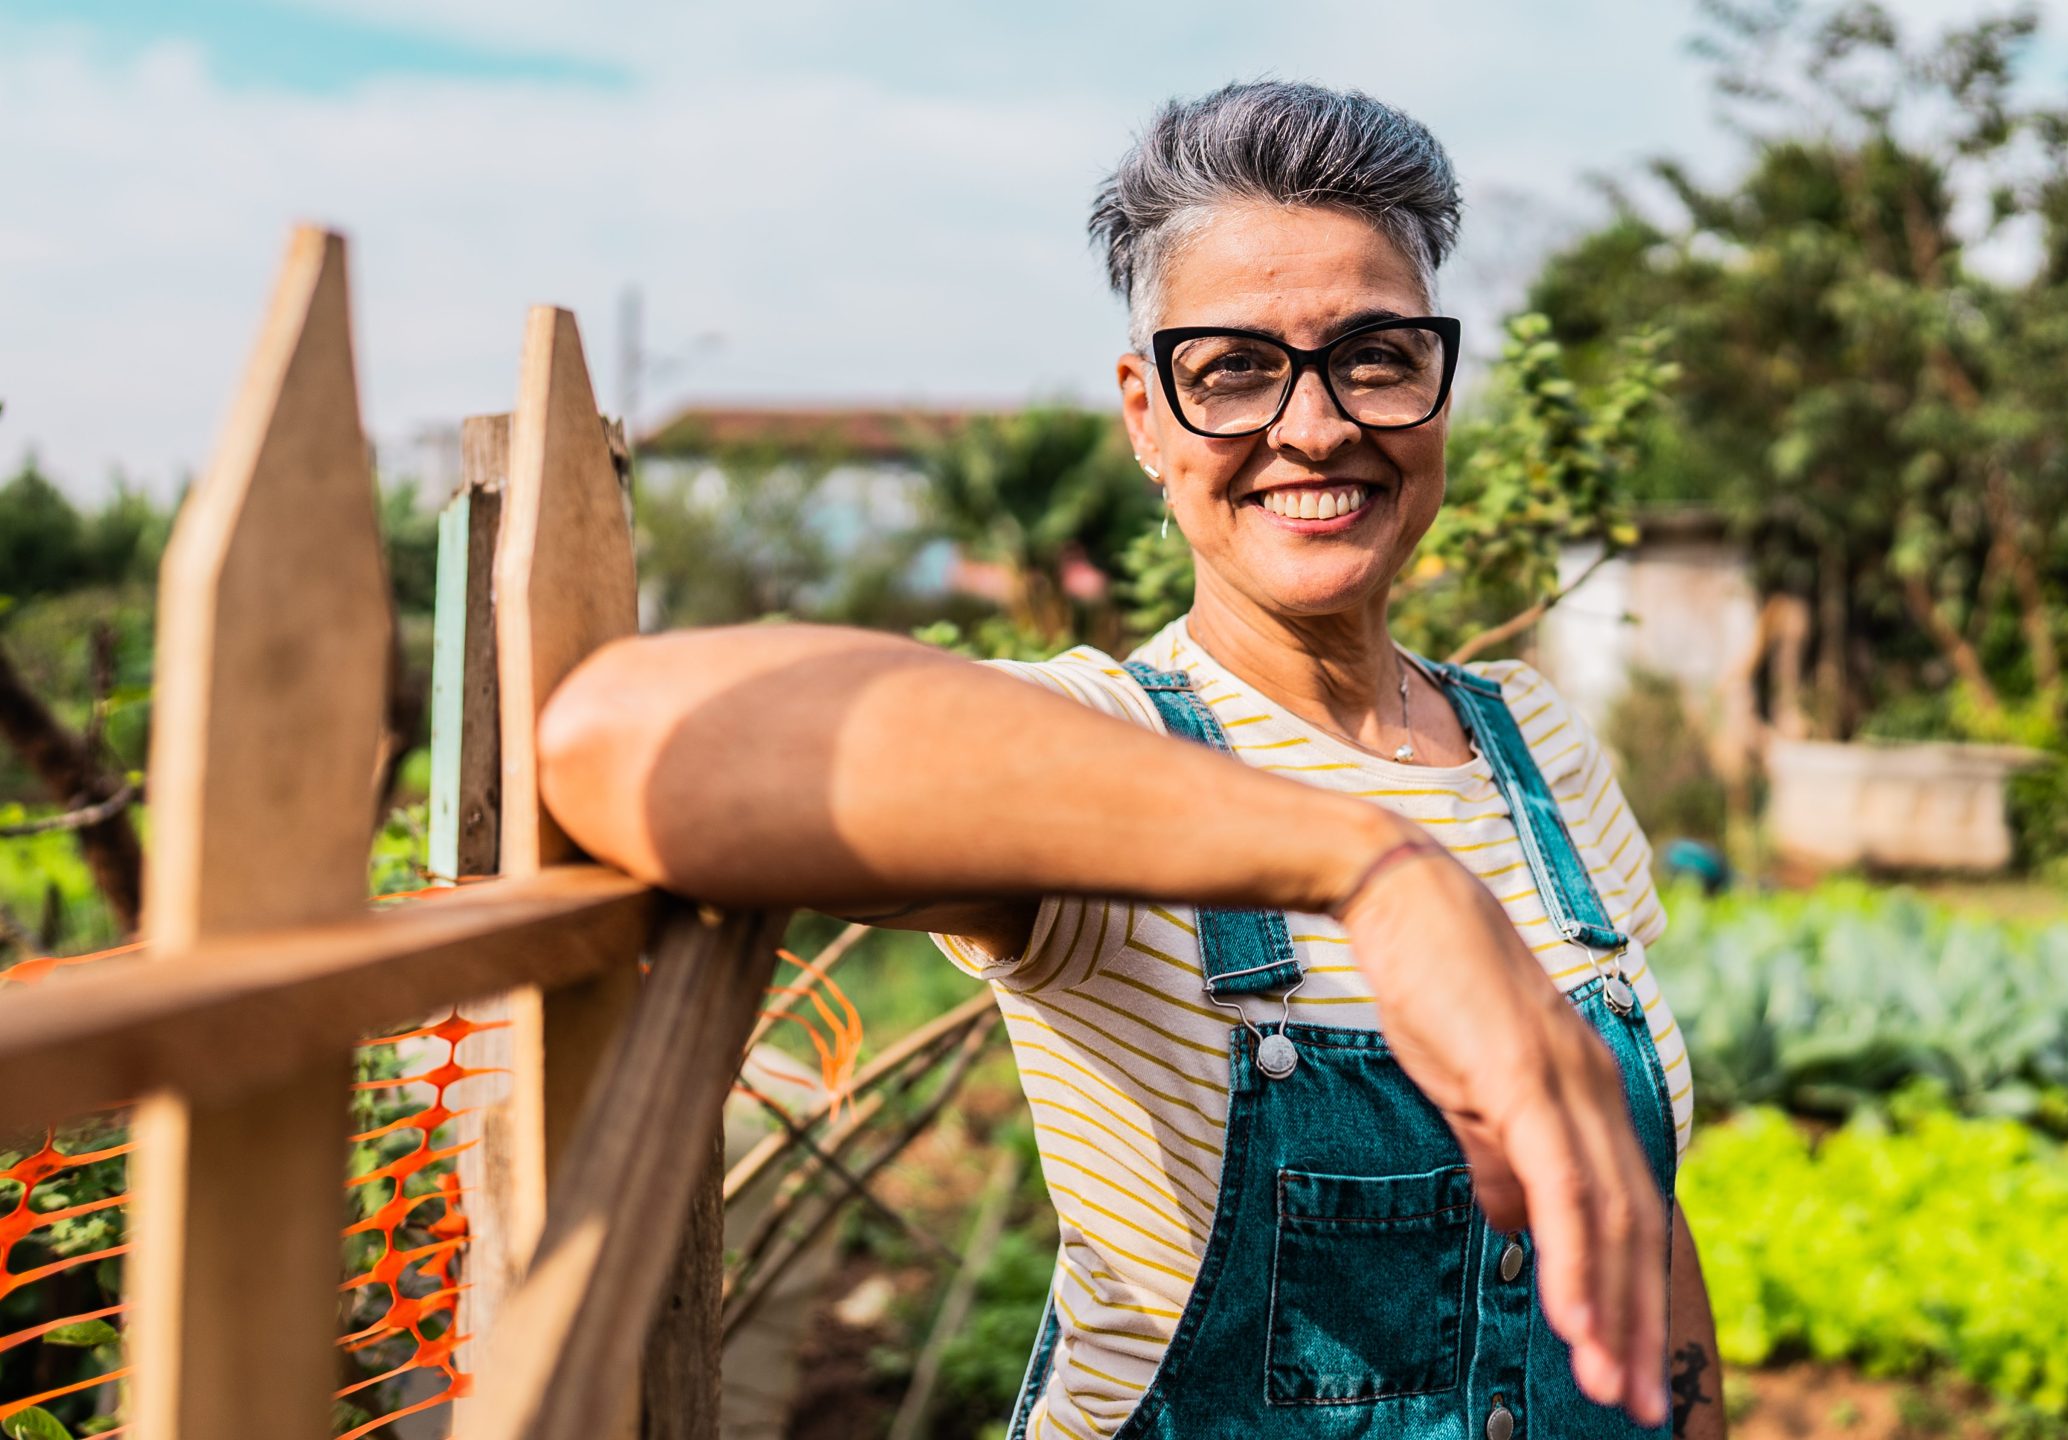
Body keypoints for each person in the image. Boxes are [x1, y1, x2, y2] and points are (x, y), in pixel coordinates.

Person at [538, 80, 1725, 1440]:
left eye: (1378, 356)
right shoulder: (1100, 749)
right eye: (1234, 370)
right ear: (1146, 414)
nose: (1319, 425)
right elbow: (625, 738)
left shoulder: (1537, 745)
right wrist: (1375, 871)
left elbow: (1647, 1225)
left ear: (1439, 385)